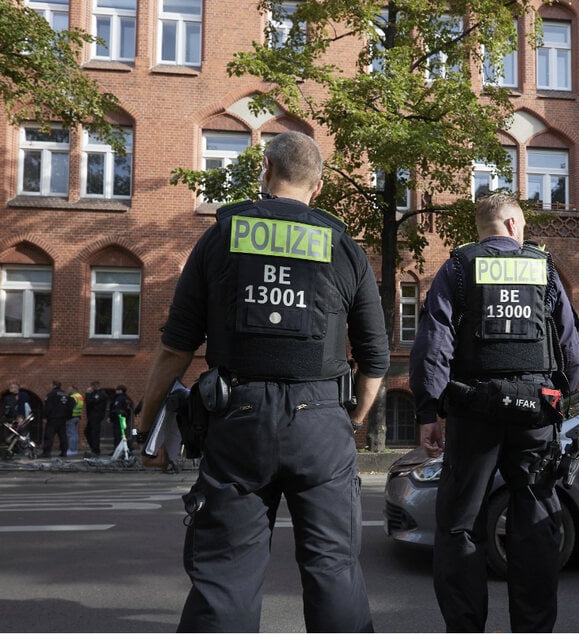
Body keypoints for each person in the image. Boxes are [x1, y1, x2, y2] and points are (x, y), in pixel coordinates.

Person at [134, 130, 389, 632]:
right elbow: (375, 357)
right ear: (317, 189)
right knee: (333, 568)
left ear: (266, 170)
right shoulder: (344, 247)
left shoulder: (221, 236)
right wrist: (352, 417)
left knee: (227, 572)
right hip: (322, 423)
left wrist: (148, 424)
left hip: (239, 421)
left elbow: (176, 347)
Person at [409, 192, 579, 633]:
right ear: (509, 224)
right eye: (521, 225)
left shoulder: (459, 266)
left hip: (473, 408)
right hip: (534, 410)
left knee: (459, 524)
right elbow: (569, 342)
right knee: (537, 522)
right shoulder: (542, 267)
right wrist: (559, 396)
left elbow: (434, 341)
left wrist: (429, 409)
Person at [41, 380, 73, 458]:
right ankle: (64, 452)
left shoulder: (51, 395)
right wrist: (68, 417)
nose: (50, 386)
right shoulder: (66, 395)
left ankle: (46, 453)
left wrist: (45, 416)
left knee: (49, 436)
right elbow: (70, 406)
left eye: (51, 385)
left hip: (53, 419)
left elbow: (48, 407)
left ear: (54, 385)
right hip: (63, 419)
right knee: (63, 436)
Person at [83, 381, 109, 456]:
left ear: (96, 385)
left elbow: (90, 402)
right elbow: (87, 401)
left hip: (96, 415)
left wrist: (87, 393)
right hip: (91, 416)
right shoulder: (94, 393)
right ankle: (93, 448)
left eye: (92, 386)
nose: (91, 388)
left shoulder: (101, 394)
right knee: (87, 432)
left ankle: (96, 450)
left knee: (94, 433)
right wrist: (88, 394)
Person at [108, 384, 134, 452]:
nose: (116, 391)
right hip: (124, 419)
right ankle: (126, 448)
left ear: (120, 390)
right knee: (123, 434)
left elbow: (116, 409)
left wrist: (111, 416)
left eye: (117, 390)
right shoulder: (127, 398)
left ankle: (117, 450)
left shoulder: (119, 399)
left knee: (118, 435)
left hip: (119, 419)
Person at [66, 386, 84, 456]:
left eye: (69, 389)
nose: (67, 390)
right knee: (75, 434)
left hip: (71, 417)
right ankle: (75, 449)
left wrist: (67, 417)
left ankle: (72, 450)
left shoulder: (72, 397)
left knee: (71, 434)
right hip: (77, 416)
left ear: (73, 390)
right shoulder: (79, 396)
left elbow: (69, 408)